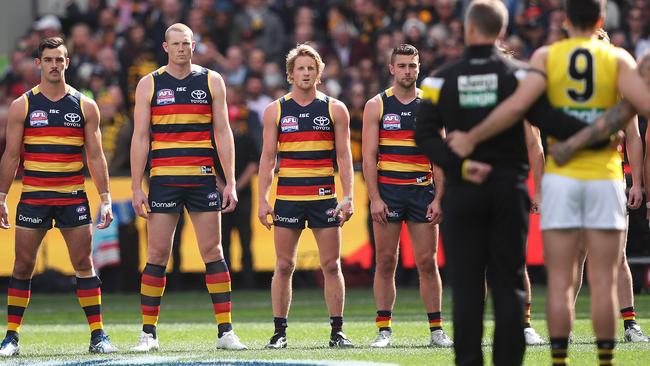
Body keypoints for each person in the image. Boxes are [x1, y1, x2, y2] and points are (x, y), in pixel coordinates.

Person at [445, 0, 650, 363]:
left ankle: (559, 360)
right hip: (605, 176)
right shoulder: (618, 59)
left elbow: (516, 108)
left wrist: (473, 137)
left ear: (565, 20)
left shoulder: (545, 57)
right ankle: (606, 360)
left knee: (562, 280)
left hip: (561, 179)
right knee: (604, 279)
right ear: (601, 19)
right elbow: (641, 109)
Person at [415, 0, 592, 364]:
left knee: (466, 287)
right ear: (501, 31)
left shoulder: (438, 80)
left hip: (463, 194)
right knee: (508, 284)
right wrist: (599, 131)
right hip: (508, 191)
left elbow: (424, 137)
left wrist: (460, 167)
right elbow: (551, 122)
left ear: (469, 29)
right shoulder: (520, 76)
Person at [129, 23, 247, 352]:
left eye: (187, 43)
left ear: (194, 46)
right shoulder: (148, 84)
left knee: (214, 252)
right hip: (164, 179)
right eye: (176, 43)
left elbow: (223, 132)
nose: (182, 48)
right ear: (166, 47)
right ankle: (148, 334)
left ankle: (226, 332)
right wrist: (138, 186)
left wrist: (231, 181)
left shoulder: (211, 80)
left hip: (202, 178)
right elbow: (141, 137)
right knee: (156, 254)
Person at [0, 37, 117, 356]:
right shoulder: (22, 105)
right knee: (22, 266)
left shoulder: (84, 105)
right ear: (38, 64)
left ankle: (98, 335)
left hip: (72, 197)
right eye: (48, 59)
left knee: (83, 264)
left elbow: (96, 156)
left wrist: (105, 197)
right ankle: (11, 337)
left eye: (59, 59)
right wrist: (1, 197)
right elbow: (11, 156)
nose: (54, 64)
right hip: (34, 197)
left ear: (67, 63)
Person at [257, 43, 355, 349]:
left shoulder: (335, 109)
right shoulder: (275, 110)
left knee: (331, 265)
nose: (306, 73)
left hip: (324, 197)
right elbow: (267, 158)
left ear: (319, 73)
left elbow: (344, 157)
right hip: (287, 197)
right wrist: (263, 197)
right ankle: (279, 333)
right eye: (300, 68)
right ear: (290, 73)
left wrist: (348, 195)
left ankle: (337, 332)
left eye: (311, 68)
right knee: (284, 265)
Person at [361, 44, 452, 348]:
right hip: (388, 193)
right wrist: (374, 198)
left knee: (428, 262)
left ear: (419, 68)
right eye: (402, 66)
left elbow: (439, 156)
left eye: (412, 66)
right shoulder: (376, 105)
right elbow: (369, 156)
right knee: (386, 261)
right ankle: (384, 329)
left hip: (422, 192)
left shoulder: (431, 105)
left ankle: (437, 330)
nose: (407, 71)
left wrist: (440, 198)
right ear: (391, 69)